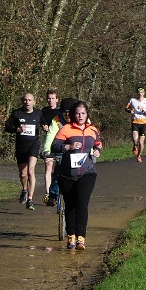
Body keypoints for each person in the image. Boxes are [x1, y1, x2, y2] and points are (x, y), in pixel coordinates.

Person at [50, 99, 102, 250]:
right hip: (68, 173)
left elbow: (98, 143)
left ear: (87, 114)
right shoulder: (66, 129)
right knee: (71, 205)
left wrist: (97, 150)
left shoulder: (92, 129)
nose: (80, 116)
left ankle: (81, 238)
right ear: (73, 114)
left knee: (82, 203)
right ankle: (71, 236)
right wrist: (69, 146)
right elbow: (55, 146)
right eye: (78, 113)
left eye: (83, 113)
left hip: (87, 172)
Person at [3, 92, 42, 209]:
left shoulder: (39, 113)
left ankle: (30, 198)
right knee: (23, 173)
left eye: (30, 100)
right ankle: (24, 189)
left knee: (30, 170)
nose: (27, 102)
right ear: (22, 101)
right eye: (25, 100)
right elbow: (7, 127)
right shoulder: (17, 113)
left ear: (34, 102)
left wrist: (45, 126)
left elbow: (45, 123)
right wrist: (17, 129)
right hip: (21, 147)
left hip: (34, 145)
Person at [39, 90, 62, 205]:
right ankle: (48, 194)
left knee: (59, 168)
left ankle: (56, 191)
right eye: (49, 98)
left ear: (57, 99)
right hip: (49, 142)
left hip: (60, 143)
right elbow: (40, 121)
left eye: (53, 98)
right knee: (48, 166)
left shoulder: (61, 113)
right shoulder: (43, 111)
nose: (50, 101)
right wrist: (43, 126)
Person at [125, 87, 146, 163]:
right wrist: (130, 111)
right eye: (138, 92)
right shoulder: (132, 100)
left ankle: (139, 156)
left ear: (144, 93)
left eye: (141, 92)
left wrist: (143, 111)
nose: (140, 94)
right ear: (137, 93)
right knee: (135, 139)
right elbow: (126, 108)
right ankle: (135, 145)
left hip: (143, 123)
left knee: (141, 142)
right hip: (135, 122)